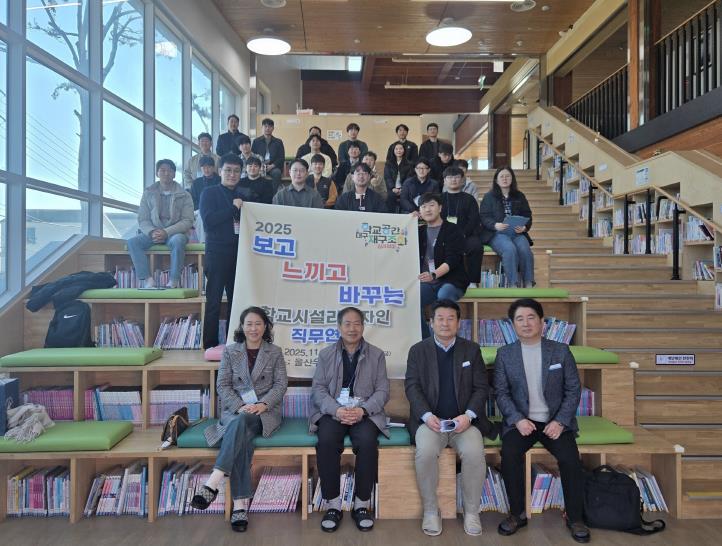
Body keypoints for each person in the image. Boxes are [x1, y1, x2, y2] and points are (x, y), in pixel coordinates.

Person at [494, 298, 589, 543]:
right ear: (513, 325)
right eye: (519, 319)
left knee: (570, 459)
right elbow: (501, 393)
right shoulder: (505, 354)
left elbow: (573, 390)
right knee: (510, 454)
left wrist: (560, 422)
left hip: (554, 421)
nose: (526, 323)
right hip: (522, 422)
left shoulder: (560, 351)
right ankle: (517, 514)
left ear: (542, 322)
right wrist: (517, 420)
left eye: (531, 318)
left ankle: (575, 518)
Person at [191, 306, 288, 533]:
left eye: (258, 324)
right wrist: (240, 406)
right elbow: (222, 385)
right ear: (242, 327)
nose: (253, 328)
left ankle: (214, 481)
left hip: (264, 412)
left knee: (240, 425)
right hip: (236, 410)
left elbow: (280, 385)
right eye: (249, 324)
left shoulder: (274, 352)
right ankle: (240, 505)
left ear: (266, 327)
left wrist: (263, 404)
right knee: (241, 430)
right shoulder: (230, 351)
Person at [405, 299, 491, 537]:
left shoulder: (471, 350)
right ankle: (431, 511)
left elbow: (481, 388)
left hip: (464, 422)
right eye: (440, 319)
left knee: (474, 453)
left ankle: (471, 512)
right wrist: (426, 415)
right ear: (431, 323)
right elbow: (412, 387)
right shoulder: (418, 350)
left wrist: (469, 416)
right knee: (424, 453)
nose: (445, 323)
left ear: (459, 323)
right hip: (431, 422)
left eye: (450, 318)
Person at [309, 307, 390, 533]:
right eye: (347, 324)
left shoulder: (376, 355)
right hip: (334, 412)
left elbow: (383, 391)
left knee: (367, 442)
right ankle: (333, 505)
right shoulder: (326, 354)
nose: (352, 328)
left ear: (363, 327)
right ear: (339, 327)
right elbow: (318, 390)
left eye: (357, 324)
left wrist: (363, 410)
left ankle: (361, 505)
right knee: (326, 441)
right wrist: (336, 410)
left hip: (364, 413)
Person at [199, 154, 244, 349]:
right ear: (220, 171)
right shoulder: (209, 193)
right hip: (216, 254)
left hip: (239, 254)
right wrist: (233, 209)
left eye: (236, 171)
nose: (232, 174)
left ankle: (234, 343)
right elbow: (208, 221)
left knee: (236, 301)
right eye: (228, 170)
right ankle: (210, 344)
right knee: (214, 302)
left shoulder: (243, 196)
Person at [128, 159, 194, 289]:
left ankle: (174, 280)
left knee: (178, 241)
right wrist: (152, 231)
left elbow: (187, 220)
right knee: (132, 242)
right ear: (157, 173)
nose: (166, 173)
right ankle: (148, 280)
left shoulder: (185, 195)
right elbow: (143, 219)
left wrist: (166, 232)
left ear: (174, 174)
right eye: (162, 170)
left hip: (175, 233)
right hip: (153, 232)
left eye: (170, 171)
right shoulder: (148, 193)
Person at [417, 193, 469, 339]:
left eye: (431, 205)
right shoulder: (418, 231)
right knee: (411, 299)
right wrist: (407, 220)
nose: (428, 209)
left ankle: (442, 340)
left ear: (440, 208)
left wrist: (434, 275)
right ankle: (426, 340)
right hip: (428, 283)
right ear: (419, 211)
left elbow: (453, 259)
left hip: (451, 280)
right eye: (423, 206)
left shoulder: (453, 229)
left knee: (444, 295)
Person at [479, 166, 534, 288]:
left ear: (512, 179)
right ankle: (513, 283)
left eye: (508, 176)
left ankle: (528, 282)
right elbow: (484, 216)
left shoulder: (519, 196)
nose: (505, 179)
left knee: (525, 249)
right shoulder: (489, 196)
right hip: (497, 233)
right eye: (502, 176)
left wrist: (524, 227)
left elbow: (527, 215)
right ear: (496, 180)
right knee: (509, 249)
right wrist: (495, 225)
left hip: (516, 232)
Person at [441, 166, 484, 288]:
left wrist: (462, 234)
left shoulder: (469, 199)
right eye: (450, 177)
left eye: (457, 177)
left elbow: (474, 220)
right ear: (444, 180)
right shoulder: (439, 199)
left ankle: (472, 281)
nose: (453, 180)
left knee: (476, 246)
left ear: (462, 180)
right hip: (445, 235)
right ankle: (442, 278)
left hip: (466, 235)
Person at [252, 118, 285, 192]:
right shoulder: (256, 141)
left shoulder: (278, 142)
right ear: (262, 128)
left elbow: (281, 157)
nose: (267, 128)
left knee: (277, 173)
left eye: (270, 126)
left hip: (273, 167)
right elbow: (253, 156)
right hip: (259, 166)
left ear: (273, 128)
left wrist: (272, 166)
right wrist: (260, 166)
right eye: (265, 126)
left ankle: (273, 194)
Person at [384, 142, 413, 213]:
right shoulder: (388, 163)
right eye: (396, 149)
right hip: (392, 188)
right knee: (391, 196)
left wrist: (403, 188)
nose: (398, 150)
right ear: (393, 151)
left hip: (405, 188)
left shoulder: (409, 164)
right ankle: (391, 215)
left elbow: (409, 178)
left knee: (407, 196)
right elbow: (387, 177)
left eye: (401, 148)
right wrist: (393, 188)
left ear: (404, 150)